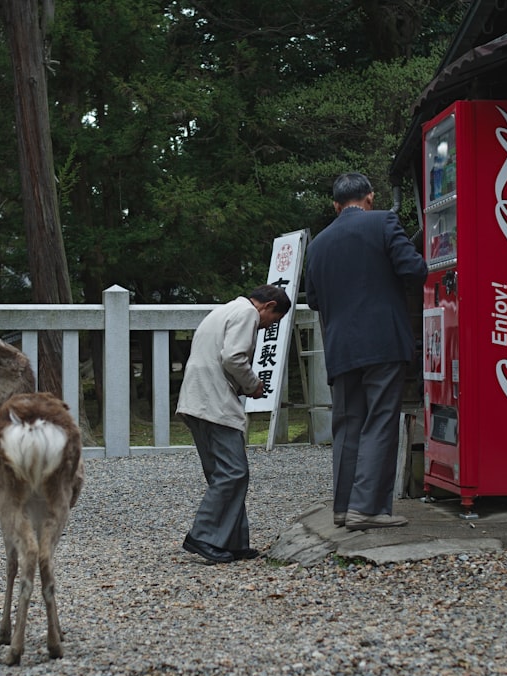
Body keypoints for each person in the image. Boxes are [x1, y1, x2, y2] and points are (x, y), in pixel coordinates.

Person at [304, 172, 428, 531]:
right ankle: (368, 508)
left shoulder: (319, 244)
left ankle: (343, 508)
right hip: (382, 341)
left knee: (347, 424)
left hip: (340, 347)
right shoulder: (384, 221)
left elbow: (313, 299)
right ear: (370, 198)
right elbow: (413, 270)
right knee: (380, 420)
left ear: (336, 205)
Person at [178, 284, 292, 563]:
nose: (266, 327)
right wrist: (253, 385)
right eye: (272, 320)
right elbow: (233, 358)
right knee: (233, 472)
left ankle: (233, 541)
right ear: (268, 306)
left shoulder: (223, 310)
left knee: (223, 473)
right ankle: (203, 537)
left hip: (195, 398)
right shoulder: (247, 314)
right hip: (214, 402)